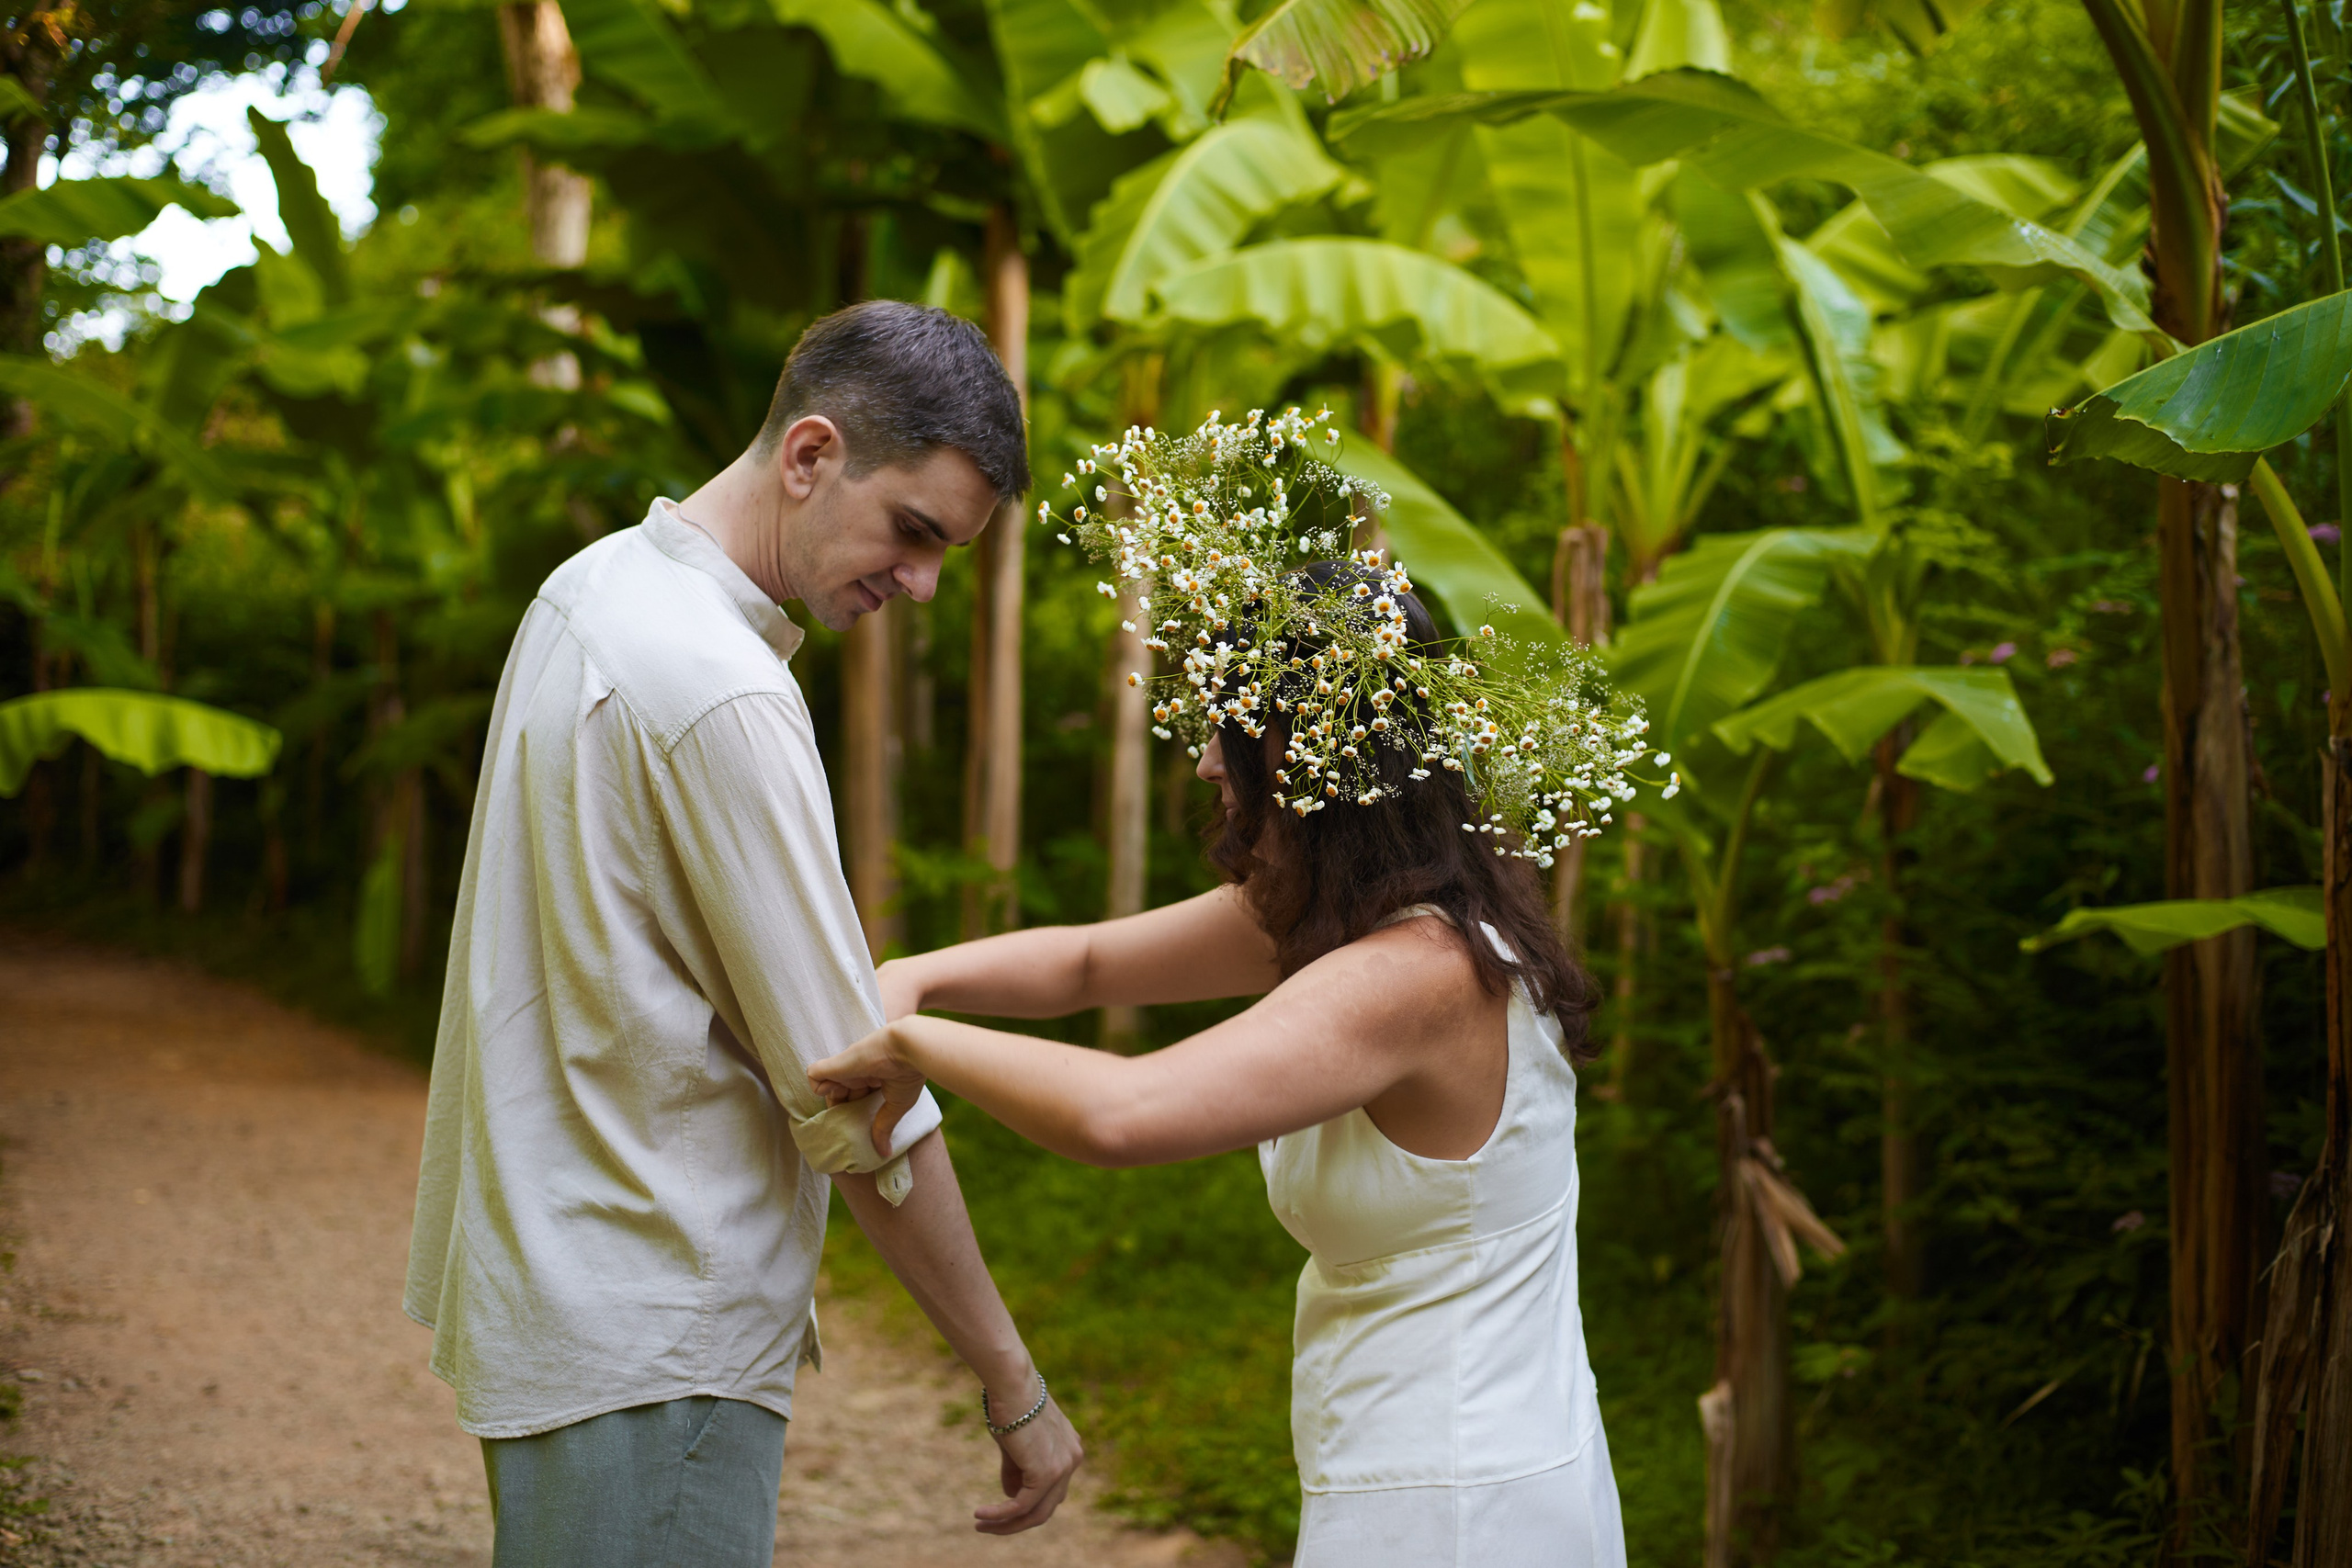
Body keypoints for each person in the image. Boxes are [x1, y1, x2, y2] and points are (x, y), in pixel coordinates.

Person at [810, 420, 1636, 1565]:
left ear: (1303, 759)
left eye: (1227, 727)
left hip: (1454, 1501)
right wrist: (918, 972)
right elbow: (1092, 965)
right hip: (1424, 1460)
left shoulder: (1417, 976)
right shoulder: (1368, 915)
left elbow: (1124, 1114)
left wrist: (914, 1041)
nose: (1202, 758)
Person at [404, 300, 1082, 1568]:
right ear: (810, 454)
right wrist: (1013, 1380)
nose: (923, 582)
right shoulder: (721, 688)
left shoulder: (589, 587)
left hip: (561, 1286)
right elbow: (854, 1090)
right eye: (914, 531)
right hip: (651, 1323)